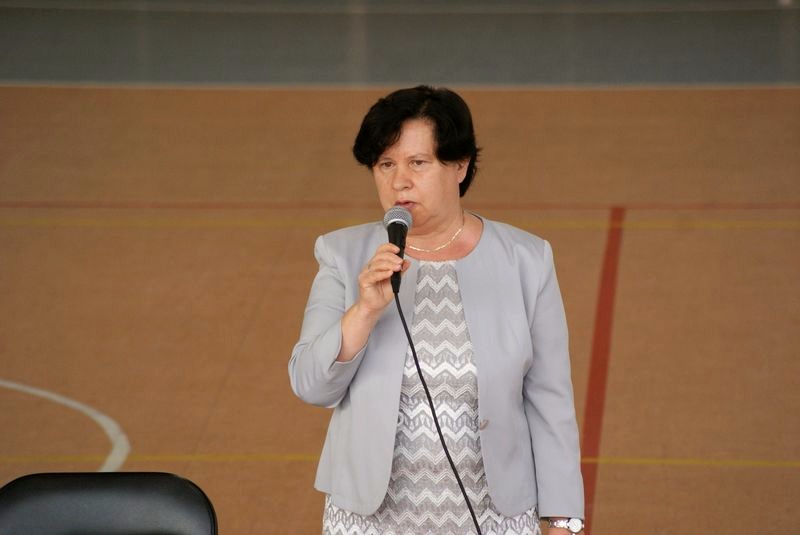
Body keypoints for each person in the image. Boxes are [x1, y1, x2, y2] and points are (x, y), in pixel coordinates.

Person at [289, 85, 584, 534]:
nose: (399, 181)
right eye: (385, 164)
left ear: (459, 165)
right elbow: (310, 384)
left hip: (496, 517)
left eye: (418, 163)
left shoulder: (526, 260)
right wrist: (363, 311)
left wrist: (564, 519)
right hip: (369, 521)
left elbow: (550, 398)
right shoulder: (342, 255)